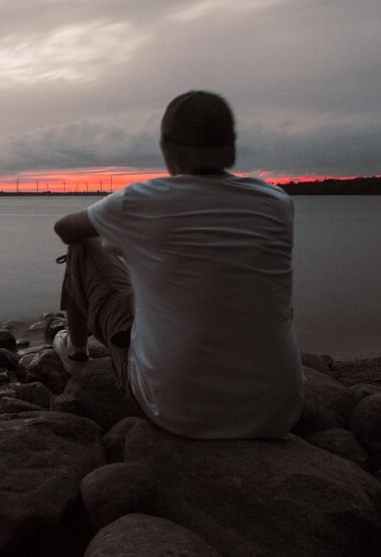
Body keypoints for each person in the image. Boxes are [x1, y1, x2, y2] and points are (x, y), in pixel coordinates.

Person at [52, 90, 303, 439]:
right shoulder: (276, 202)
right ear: (230, 145)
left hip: (174, 409)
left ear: (166, 146)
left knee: (82, 245)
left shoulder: (141, 201)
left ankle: (75, 350)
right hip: (276, 411)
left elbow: (64, 229)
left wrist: (128, 244)